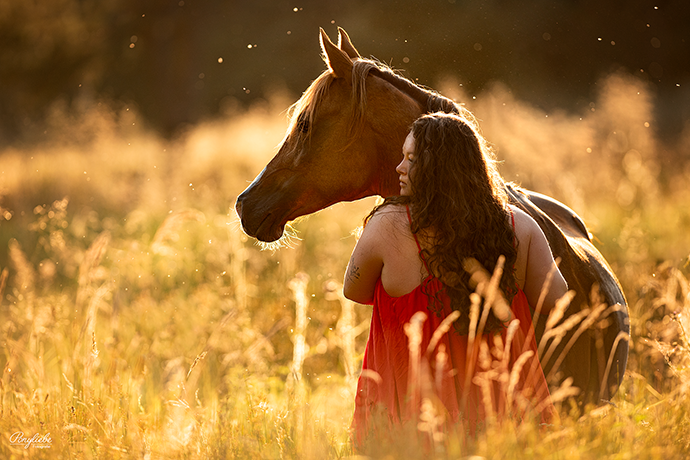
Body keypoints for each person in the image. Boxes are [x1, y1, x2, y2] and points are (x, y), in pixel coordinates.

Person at [343, 112, 569, 446]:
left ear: (439, 170)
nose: (398, 168)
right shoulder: (520, 226)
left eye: (411, 159)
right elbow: (557, 300)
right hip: (501, 419)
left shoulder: (387, 225)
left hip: (411, 422)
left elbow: (354, 289)